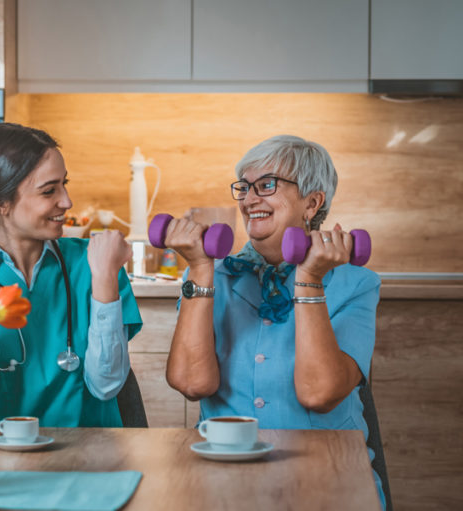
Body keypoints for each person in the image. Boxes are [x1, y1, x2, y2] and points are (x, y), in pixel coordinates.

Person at [164, 135, 385, 508]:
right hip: (226, 483)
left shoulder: (356, 283)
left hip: (328, 483)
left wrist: (310, 279)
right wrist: (200, 269)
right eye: (244, 188)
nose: (250, 200)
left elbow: (320, 394)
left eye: (267, 185)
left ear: (312, 202)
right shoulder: (212, 278)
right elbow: (192, 383)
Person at [0, 122, 142, 428]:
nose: (67, 201)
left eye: (64, 184)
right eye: (49, 191)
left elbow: (106, 385)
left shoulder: (96, 261)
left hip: (93, 458)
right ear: (0, 203)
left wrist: (105, 278)